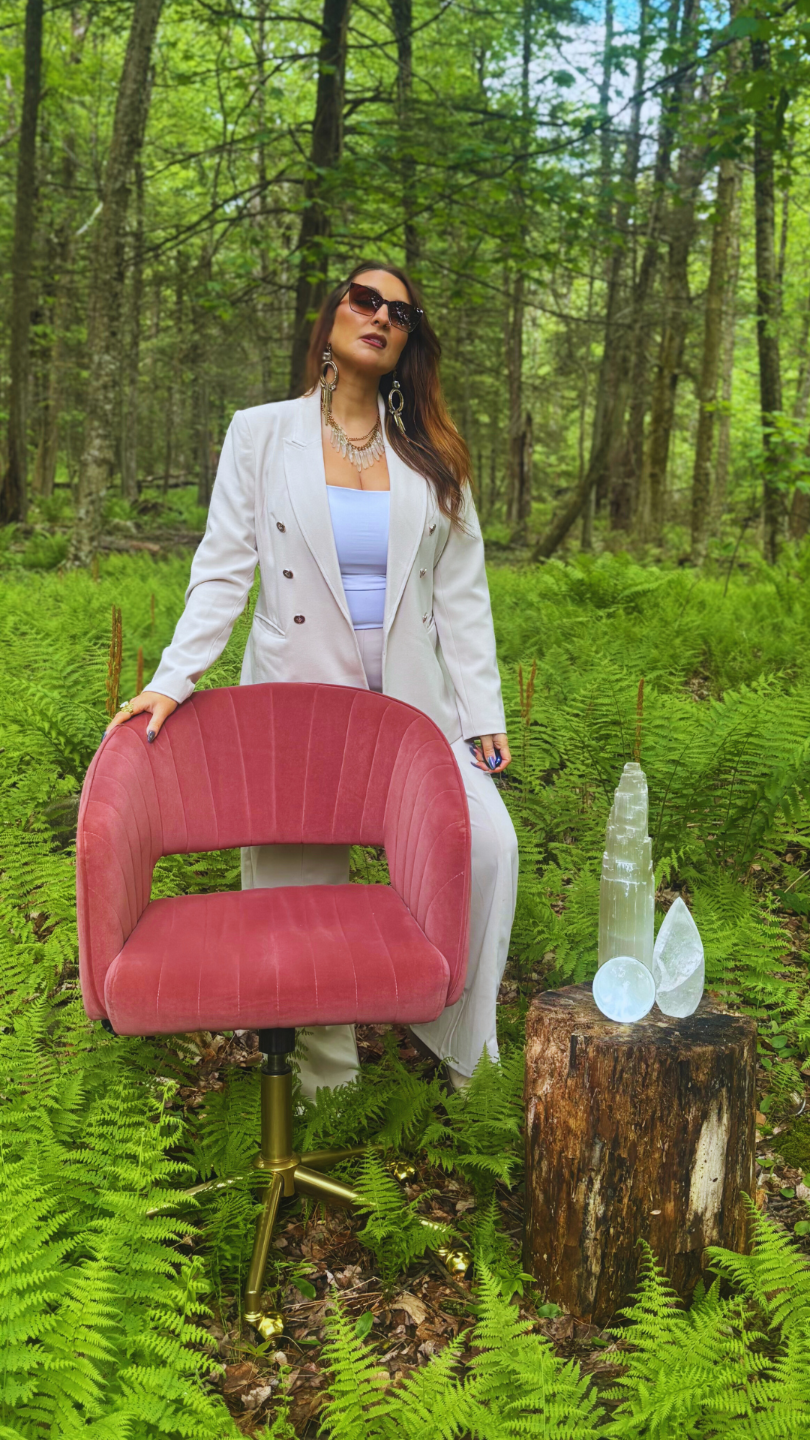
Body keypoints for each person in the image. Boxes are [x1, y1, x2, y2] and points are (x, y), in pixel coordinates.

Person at [104, 260, 518, 1098]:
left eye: (399, 312)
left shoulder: (433, 456)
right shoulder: (261, 434)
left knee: (489, 849)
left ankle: (460, 1053)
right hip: (298, 708)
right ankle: (330, 1095)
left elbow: (461, 595)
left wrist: (483, 712)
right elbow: (224, 569)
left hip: (413, 713)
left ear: (408, 344)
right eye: (365, 300)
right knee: (302, 902)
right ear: (332, 318)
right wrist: (174, 679)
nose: (381, 316)